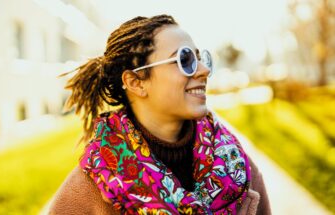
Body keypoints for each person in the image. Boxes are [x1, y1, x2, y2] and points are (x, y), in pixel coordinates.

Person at [48, 14, 271, 214]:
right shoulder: (86, 194)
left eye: (200, 58)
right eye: (185, 60)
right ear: (135, 82)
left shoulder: (237, 167)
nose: (203, 70)